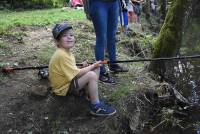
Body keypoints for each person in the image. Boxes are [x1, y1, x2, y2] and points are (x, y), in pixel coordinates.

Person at [49, 22, 116, 116]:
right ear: (57, 41)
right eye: (64, 36)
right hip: (63, 88)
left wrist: (82, 67)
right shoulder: (62, 55)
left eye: (71, 35)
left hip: (68, 81)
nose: (69, 37)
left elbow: (70, 70)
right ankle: (96, 106)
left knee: (96, 69)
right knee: (92, 74)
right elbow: (76, 74)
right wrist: (91, 66)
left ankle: (90, 95)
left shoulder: (66, 52)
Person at [89, 0, 128, 84]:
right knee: (101, 38)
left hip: (114, 3)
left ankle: (113, 64)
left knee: (112, 36)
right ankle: (101, 71)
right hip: (98, 3)